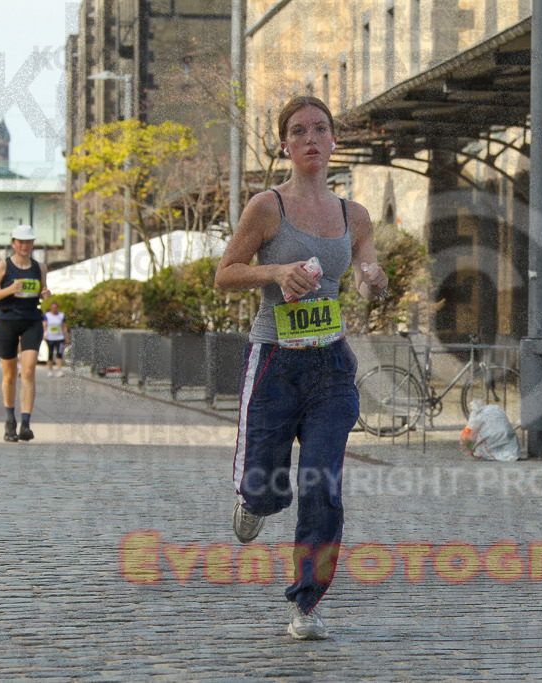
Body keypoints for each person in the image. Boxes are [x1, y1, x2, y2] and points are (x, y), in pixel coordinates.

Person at [215, 96, 388, 641]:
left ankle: (306, 603)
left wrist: (372, 279)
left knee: (323, 485)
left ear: (334, 141)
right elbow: (225, 273)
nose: (310, 138)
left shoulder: (353, 215)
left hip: (330, 367)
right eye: (298, 131)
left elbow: (364, 273)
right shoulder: (267, 207)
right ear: (285, 146)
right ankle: (254, 500)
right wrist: (278, 272)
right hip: (273, 364)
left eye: (320, 129)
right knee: (268, 486)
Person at [0, 224, 51, 442]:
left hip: (32, 320)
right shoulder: (2, 267)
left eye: (28, 241)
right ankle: (10, 420)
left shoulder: (40, 267)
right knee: (10, 375)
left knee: (28, 372)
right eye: (20, 242)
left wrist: (46, 294)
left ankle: (26, 424)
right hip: (7, 321)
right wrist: (10, 290)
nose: (24, 245)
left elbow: (43, 293)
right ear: (14, 243)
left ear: (32, 244)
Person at [43, 301, 70, 377]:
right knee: (50, 353)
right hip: (50, 338)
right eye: (52, 308)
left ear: (57, 308)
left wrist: (67, 336)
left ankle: (59, 370)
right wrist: (44, 334)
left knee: (59, 353)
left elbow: (64, 326)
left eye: (55, 307)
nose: (54, 309)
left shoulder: (61, 315)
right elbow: (44, 325)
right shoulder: (47, 315)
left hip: (59, 338)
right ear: (51, 308)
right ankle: (50, 370)